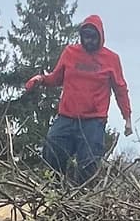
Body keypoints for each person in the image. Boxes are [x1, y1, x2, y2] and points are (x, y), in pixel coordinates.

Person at [25, 13, 131, 184]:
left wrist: (127, 118)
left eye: (93, 38)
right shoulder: (70, 53)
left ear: (100, 37)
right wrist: (41, 79)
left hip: (93, 122)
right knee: (52, 149)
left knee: (88, 166)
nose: (89, 41)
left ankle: (81, 201)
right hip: (66, 118)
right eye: (85, 37)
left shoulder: (111, 59)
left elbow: (120, 89)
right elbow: (56, 78)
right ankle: (56, 191)